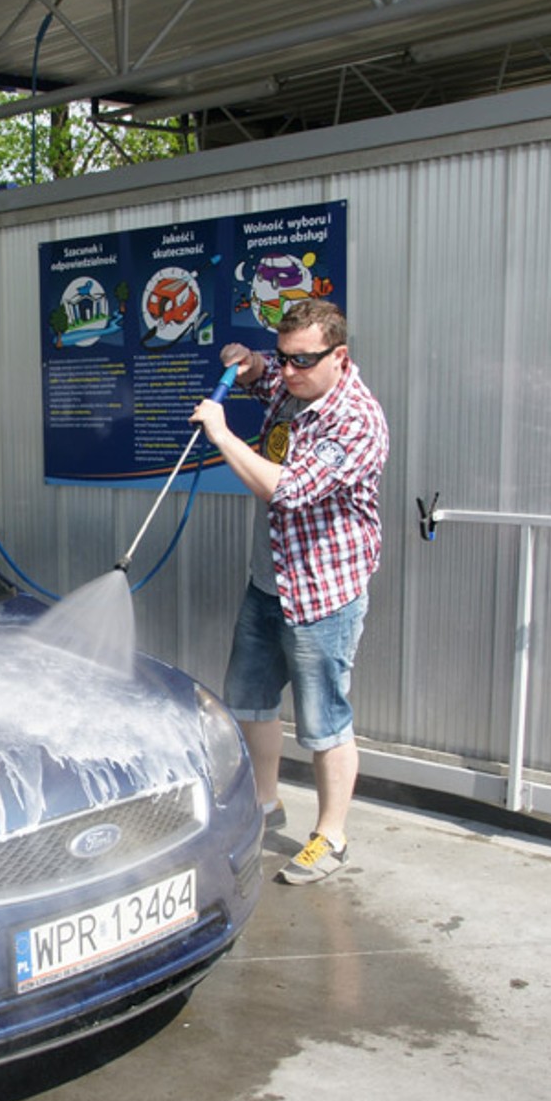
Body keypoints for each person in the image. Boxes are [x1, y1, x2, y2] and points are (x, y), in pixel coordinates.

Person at [188, 299, 389, 885]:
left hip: (322, 595)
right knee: (249, 700)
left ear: (339, 357)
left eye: (301, 361)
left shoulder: (354, 420)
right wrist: (246, 364)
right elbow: (262, 377)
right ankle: (265, 803)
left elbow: (287, 489)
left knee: (324, 719)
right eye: (284, 358)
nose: (289, 372)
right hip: (267, 583)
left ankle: (331, 836)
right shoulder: (294, 380)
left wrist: (221, 434)